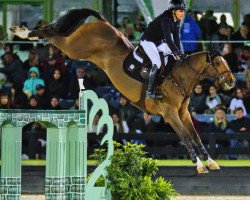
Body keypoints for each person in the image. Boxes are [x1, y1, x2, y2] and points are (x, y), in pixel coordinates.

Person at [139, 0, 187, 99]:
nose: (183, 13)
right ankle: (150, 91)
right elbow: (169, 41)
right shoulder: (165, 20)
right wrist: (177, 52)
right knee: (157, 63)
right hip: (148, 41)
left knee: (172, 57)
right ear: (173, 11)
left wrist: (180, 53)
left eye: (183, 11)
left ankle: (163, 82)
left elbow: (177, 39)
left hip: (158, 42)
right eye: (180, 11)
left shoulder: (176, 20)